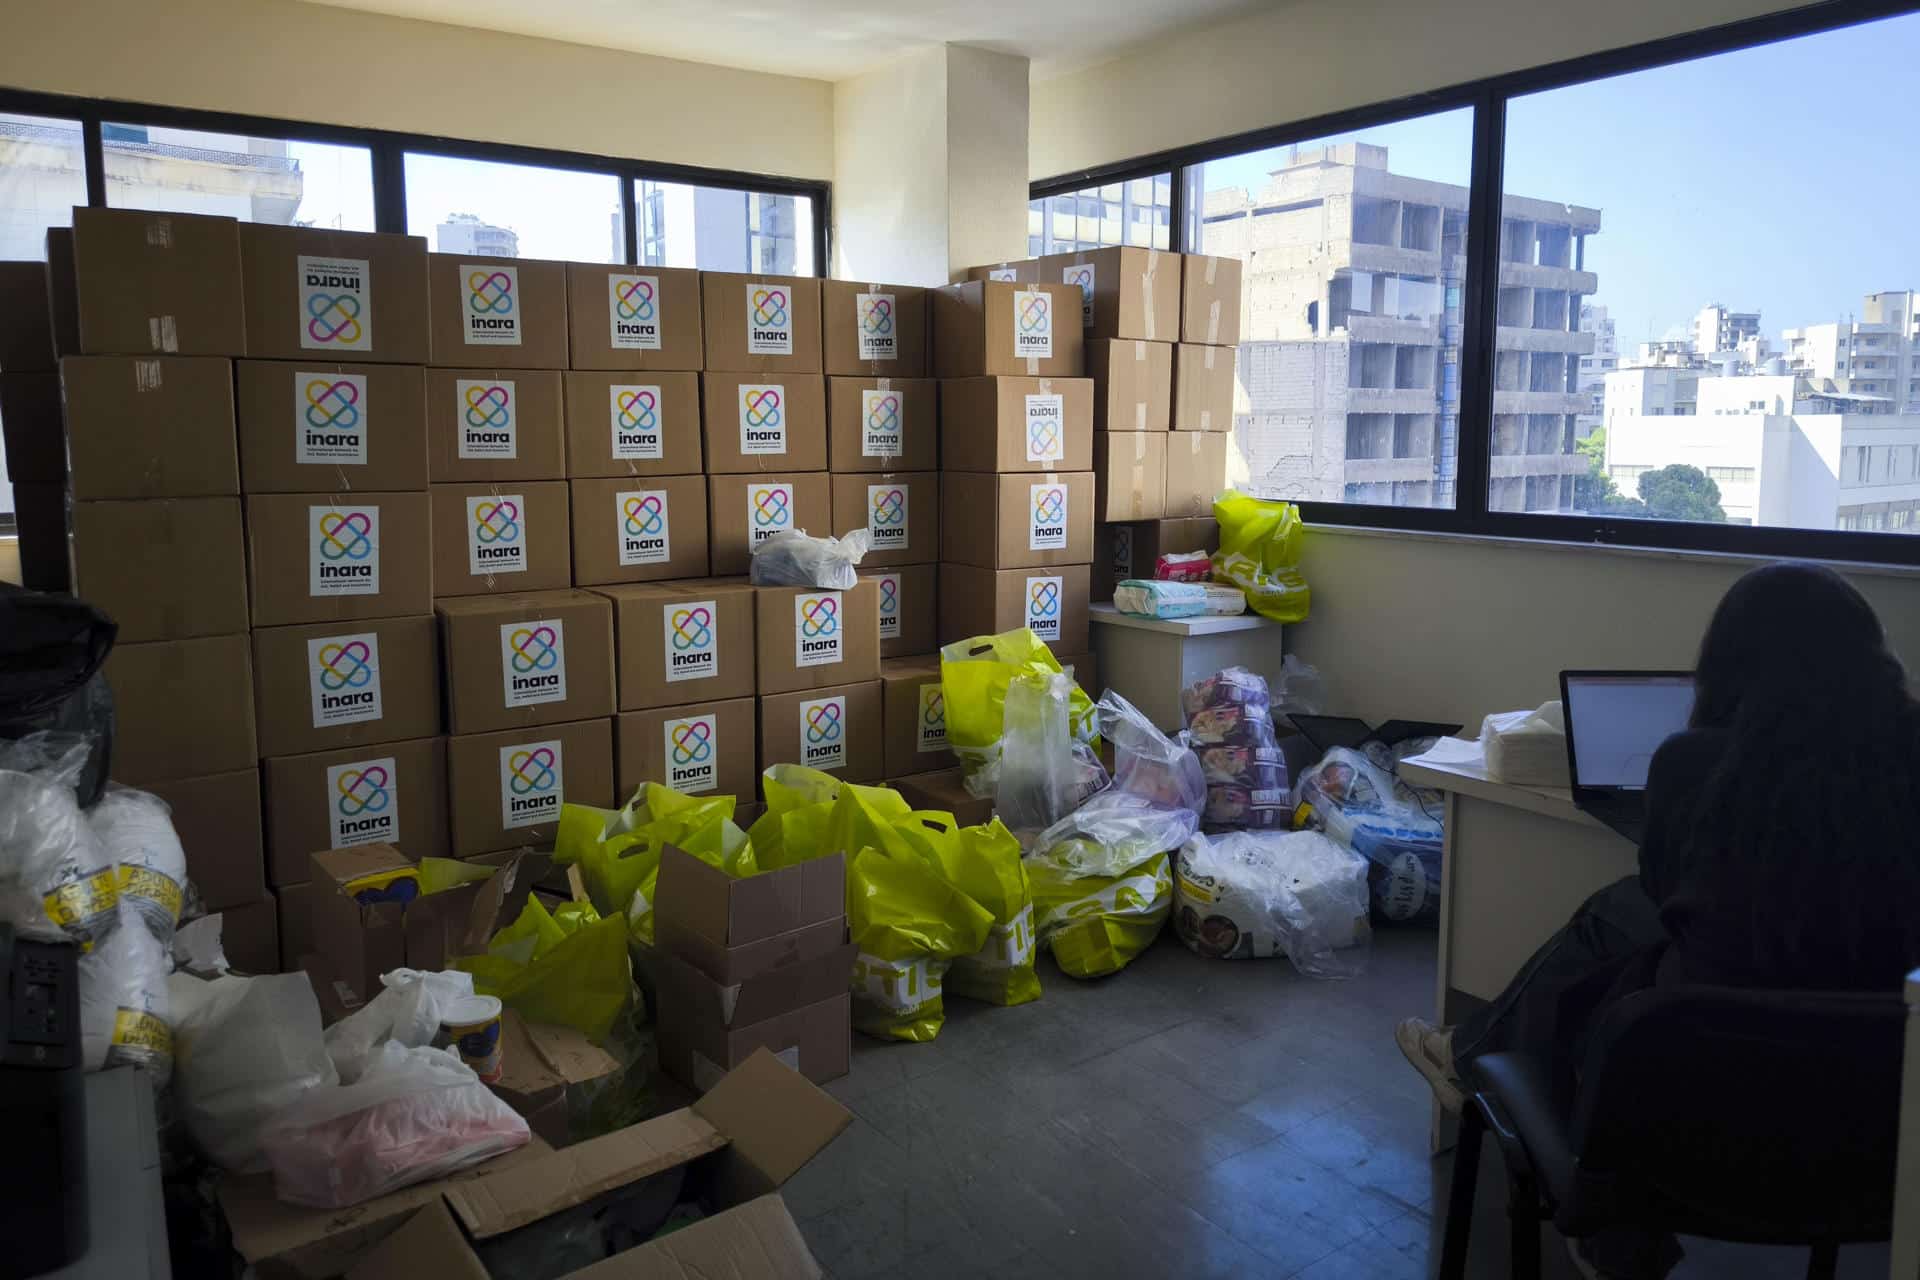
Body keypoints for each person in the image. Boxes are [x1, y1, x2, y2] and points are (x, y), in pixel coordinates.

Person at [1395, 562, 1920, 1279]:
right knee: (1620, 916)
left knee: (1623, 912)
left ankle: (1473, 1059)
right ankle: (1469, 1051)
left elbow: (1669, 890)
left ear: (1728, 665)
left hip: (1689, 1149)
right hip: (1879, 1157)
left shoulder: (1698, 765)